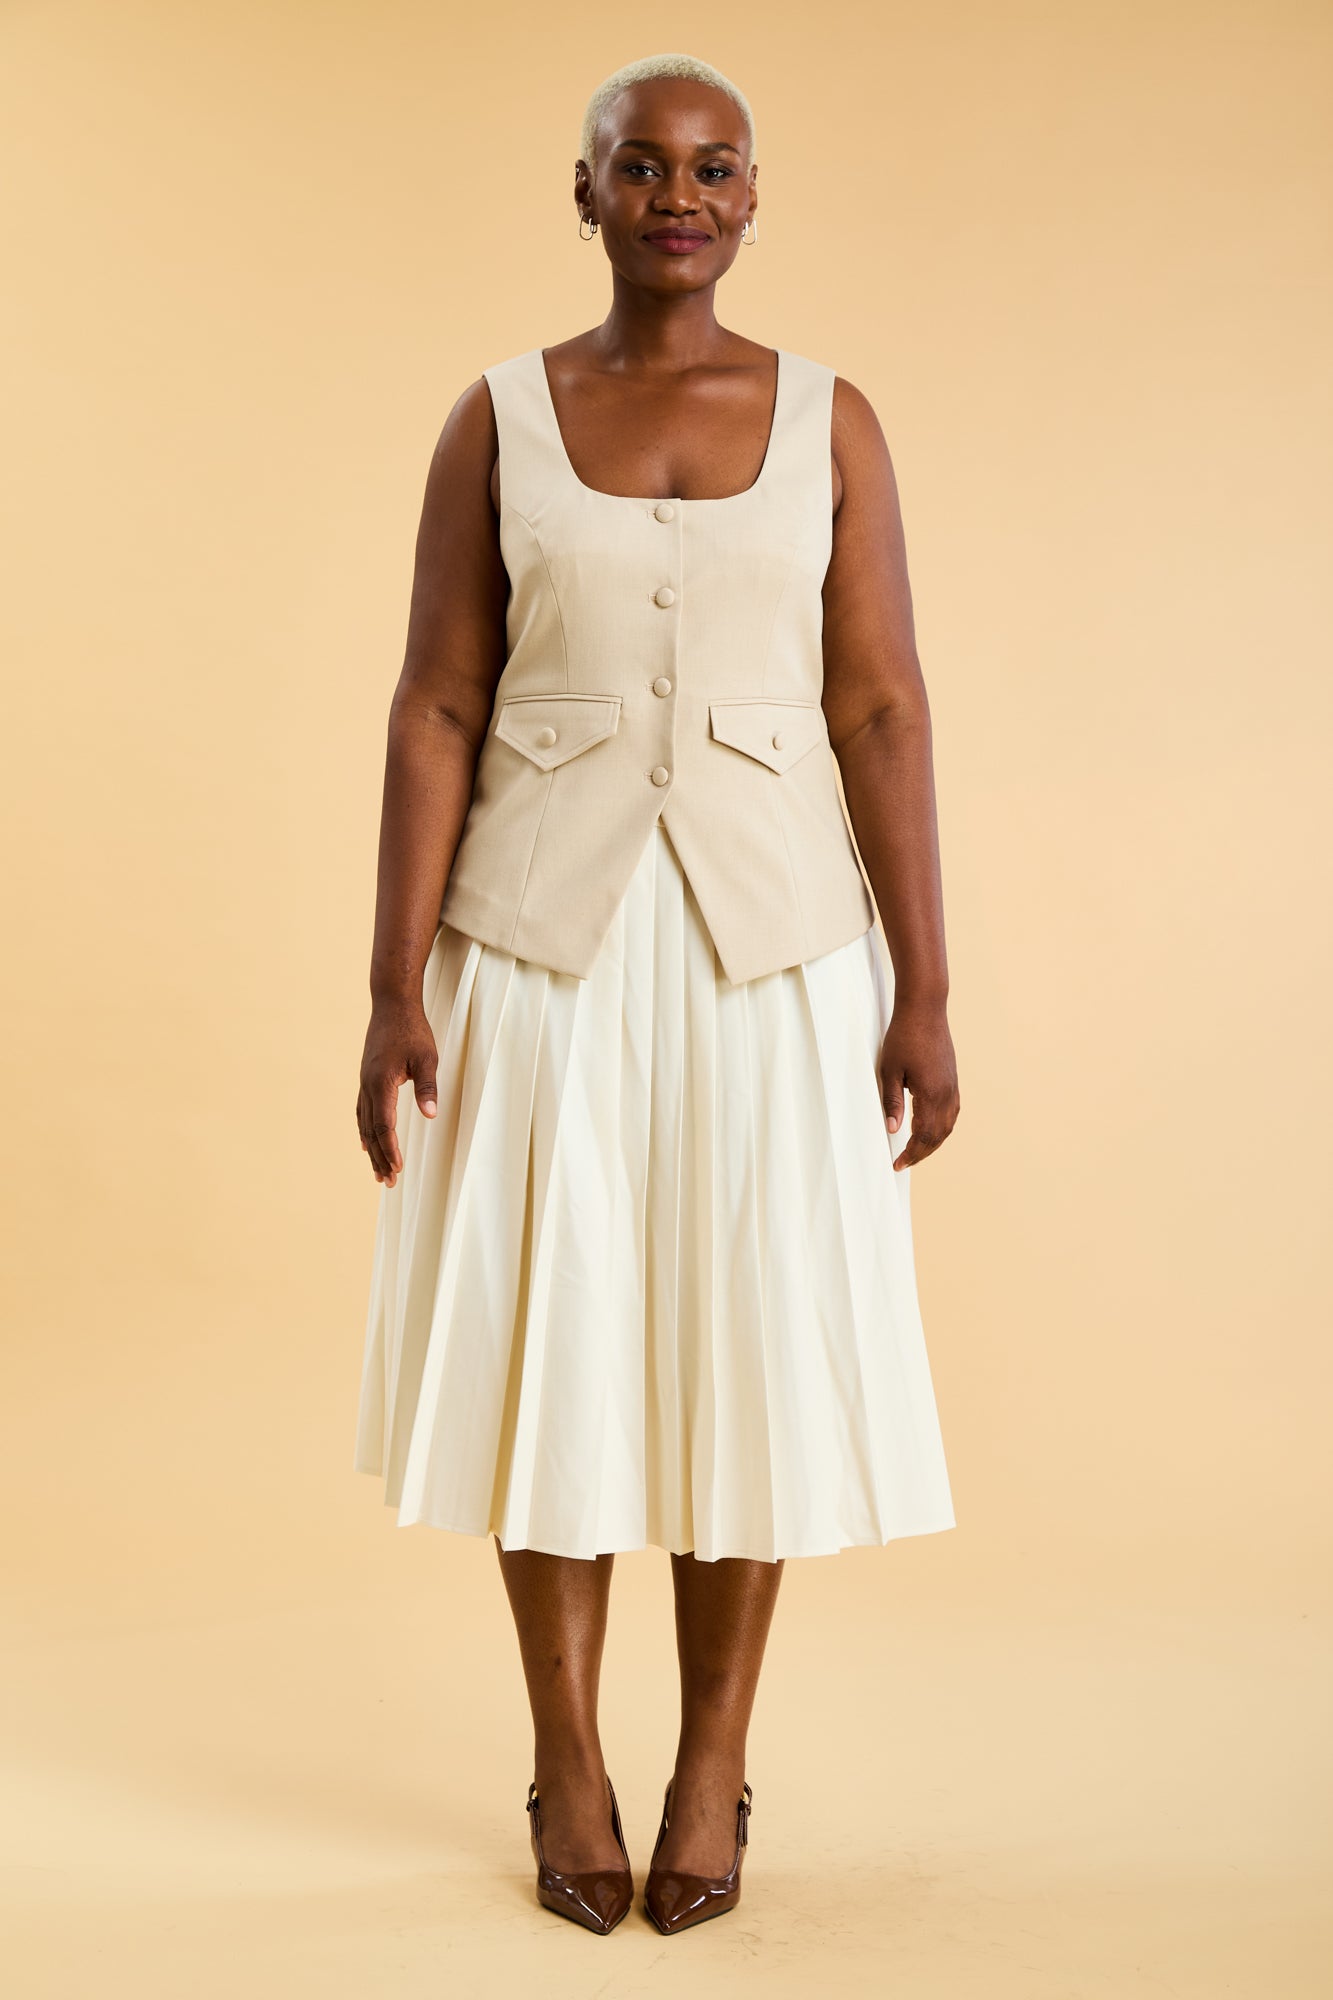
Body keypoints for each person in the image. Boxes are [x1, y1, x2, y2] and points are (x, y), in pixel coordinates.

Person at [353, 50, 960, 1938]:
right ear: (588, 192)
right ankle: (569, 1756)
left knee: (746, 1354)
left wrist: (925, 989)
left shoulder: (833, 422)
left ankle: (709, 1763)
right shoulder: (498, 421)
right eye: (640, 164)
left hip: (773, 957)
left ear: (752, 197)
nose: (676, 193)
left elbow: (877, 704)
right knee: (559, 1352)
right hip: (540, 950)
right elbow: (439, 700)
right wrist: (390, 983)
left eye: (712, 167)